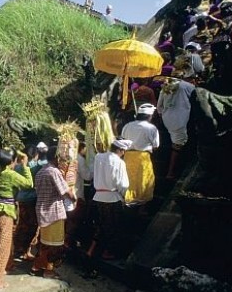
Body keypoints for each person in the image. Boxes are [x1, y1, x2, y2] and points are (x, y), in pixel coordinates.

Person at [0, 148, 33, 289]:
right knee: (2, 247)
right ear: (11, 161)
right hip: (4, 212)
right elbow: (29, 184)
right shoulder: (11, 175)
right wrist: (25, 166)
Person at [84, 138, 131, 278]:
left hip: (97, 197)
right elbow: (123, 184)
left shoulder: (99, 157)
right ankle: (101, 254)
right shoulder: (119, 162)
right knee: (110, 229)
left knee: (98, 226)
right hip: (111, 198)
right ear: (122, 151)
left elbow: (91, 173)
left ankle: (91, 251)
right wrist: (123, 197)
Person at [31, 145, 76, 279]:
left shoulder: (41, 171)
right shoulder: (53, 172)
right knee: (54, 244)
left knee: (45, 242)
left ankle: (37, 266)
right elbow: (65, 191)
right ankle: (48, 271)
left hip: (43, 210)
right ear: (57, 158)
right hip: (54, 212)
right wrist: (74, 197)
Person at [156, 76, 196, 179]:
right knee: (177, 148)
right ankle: (170, 172)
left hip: (167, 119)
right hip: (180, 120)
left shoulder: (166, 86)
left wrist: (163, 115)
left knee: (171, 143)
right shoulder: (188, 86)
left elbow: (159, 106)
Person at [121, 104, 160, 207]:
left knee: (128, 179)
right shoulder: (151, 128)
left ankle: (127, 201)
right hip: (143, 157)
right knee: (143, 180)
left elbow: (122, 140)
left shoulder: (127, 126)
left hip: (128, 156)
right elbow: (156, 146)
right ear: (149, 116)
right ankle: (141, 206)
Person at [13, 145, 43, 261]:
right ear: (36, 155)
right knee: (33, 226)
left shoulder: (18, 167)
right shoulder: (37, 167)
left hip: (21, 198)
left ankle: (18, 249)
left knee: (22, 224)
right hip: (32, 199)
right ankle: (26, 250)